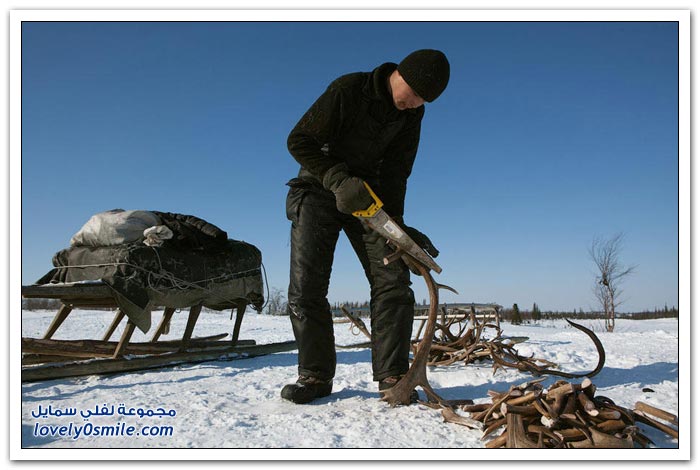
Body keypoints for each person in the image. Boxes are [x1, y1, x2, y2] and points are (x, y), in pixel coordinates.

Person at [281, 49, 450, 404]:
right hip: (318, 189)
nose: (417, 104)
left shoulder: (412, 115)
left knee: (393, 281)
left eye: (424, 101)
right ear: (402, 76)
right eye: (416, 94)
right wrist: (338, 178)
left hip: (369, 202)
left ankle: (392, 375)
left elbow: (396, 173)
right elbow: (299, 140)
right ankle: (314, 376)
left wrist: (397, 227)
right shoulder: (349, 89)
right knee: (306, 287)